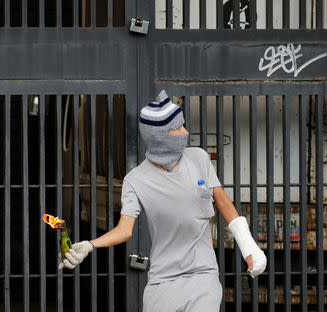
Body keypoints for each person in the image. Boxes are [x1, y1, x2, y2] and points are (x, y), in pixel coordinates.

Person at [59, 90, 267, 311]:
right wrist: (90, 245)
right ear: (161, 137)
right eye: (178, 128)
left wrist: (249, 248)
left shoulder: (199, 158)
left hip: (203, 276)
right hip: (162, 283)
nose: (185, 132)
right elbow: (124, 230)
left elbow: (223, 202)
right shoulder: (135, 180)